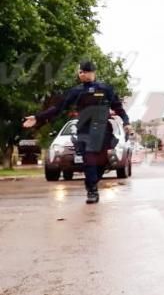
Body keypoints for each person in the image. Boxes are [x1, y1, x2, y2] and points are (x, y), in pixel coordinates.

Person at [23, 61, 131, 203]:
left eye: (83, 72)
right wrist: (38, 117)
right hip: (84, 130)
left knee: (101, 162)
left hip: (103, 131)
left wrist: (126, 122)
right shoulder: (76, 91)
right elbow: (58, 108)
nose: (81, 74)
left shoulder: (106, 89)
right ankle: (92, 191)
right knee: (89, 160)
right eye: (79, 72)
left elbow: (118, 108)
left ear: (91, 72)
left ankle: (92, 183)